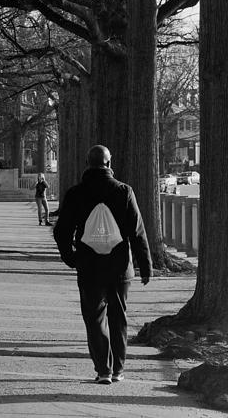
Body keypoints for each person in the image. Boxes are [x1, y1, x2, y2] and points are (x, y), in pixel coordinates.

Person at [53, 145, 152, 385]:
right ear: (109, 163)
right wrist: (145, 265)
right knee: (118, 318)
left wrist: (71, 258)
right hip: (120, 266)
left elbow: (61, 231)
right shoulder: (124, 191)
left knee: (95, 317)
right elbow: (137, 231)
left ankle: (103, 370)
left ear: (87, 164)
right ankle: (118, 369)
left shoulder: (76, 193)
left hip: (89, 265)